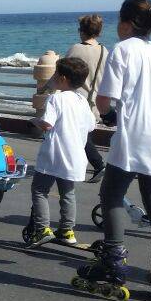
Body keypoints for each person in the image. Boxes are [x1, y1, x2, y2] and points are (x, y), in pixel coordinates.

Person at [78, 0, 151, 301]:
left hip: (135, 134)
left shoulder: (123, 50)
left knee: (111, 195)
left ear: (127, 24)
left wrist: (112, 117)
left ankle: (114, 261)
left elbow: (104, 99)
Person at [25, 57, 95, 247]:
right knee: (68, 193)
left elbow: (47, 124)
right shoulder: (82, 101)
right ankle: (66, 230)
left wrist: (34, 121)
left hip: (54, 154)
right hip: (75, 156)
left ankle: (42, 228)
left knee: (40, 190)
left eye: (55, 74)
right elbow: (91, 126)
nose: (53, 77)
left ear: (62, 78)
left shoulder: (56, 98)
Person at [64, 14, 108, 181]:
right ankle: (94, 165)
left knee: (80, 137)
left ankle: (98, 165)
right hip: (95, 101)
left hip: (77, 101)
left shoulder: (75, 49)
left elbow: (63, 73)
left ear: (81, 30)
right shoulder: (105, 51)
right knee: (84, 136)